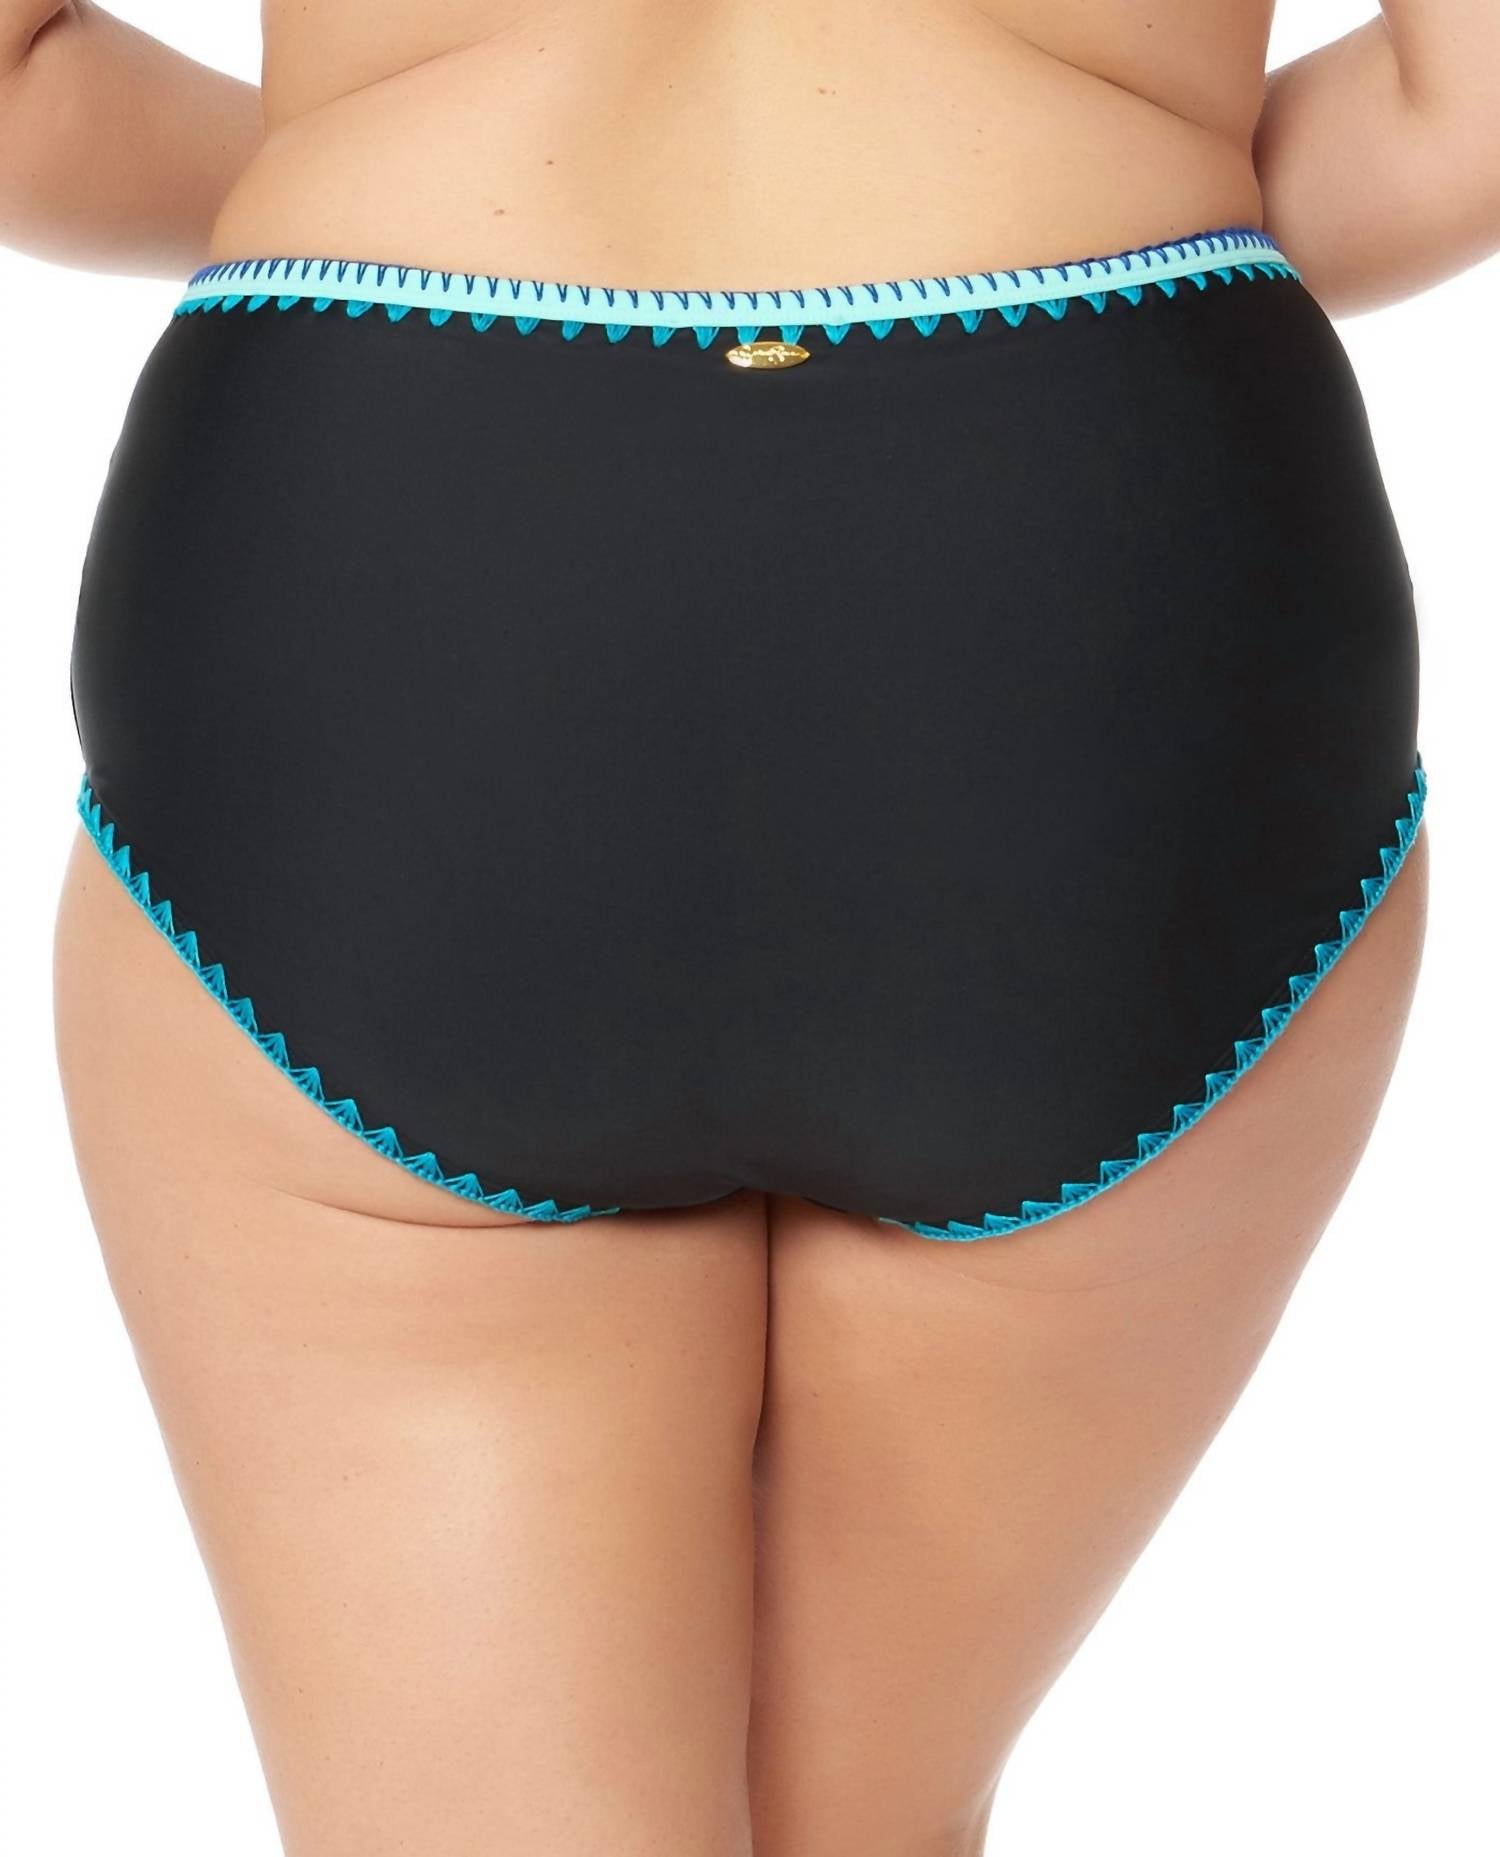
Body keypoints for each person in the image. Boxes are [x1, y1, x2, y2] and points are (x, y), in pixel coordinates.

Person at [2, 4, 1492, 1852]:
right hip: (1093, 581)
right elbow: (1468, 115)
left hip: (395, 545)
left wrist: (379, 156)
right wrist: (1111, 182)